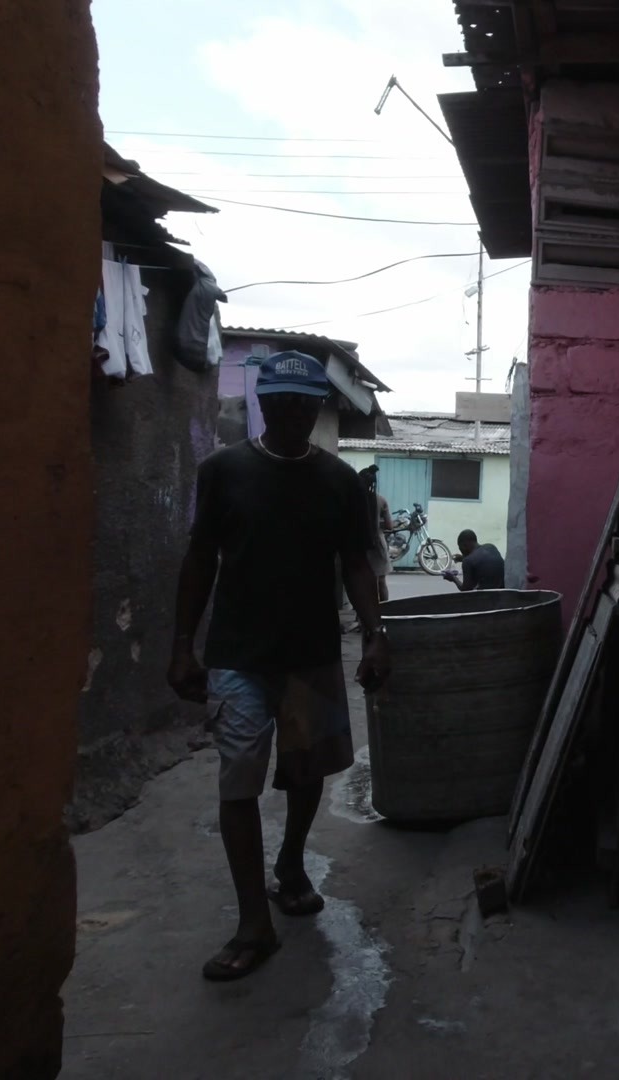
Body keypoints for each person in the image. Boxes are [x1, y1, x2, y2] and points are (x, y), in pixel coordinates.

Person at [167, 350, 391, 982]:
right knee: (237, 779)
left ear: (318, 408)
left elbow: (355, 563)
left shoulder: (340, 483)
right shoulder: (222, 471)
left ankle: (290, 861)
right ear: (262, 404)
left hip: (313, 654)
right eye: (282, 403)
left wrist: (376, 635)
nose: (294, 414)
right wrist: (183, 644)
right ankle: (252, 924)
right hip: (238, 657)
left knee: (306, 771)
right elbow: (199, 559)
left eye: (305, 404)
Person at [359, 464, 391, 602]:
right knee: (381, 582)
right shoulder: (381, 500)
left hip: (358, 545)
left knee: (361, 583)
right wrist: (378, 524)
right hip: (377, 544)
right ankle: (386, 613)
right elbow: (390, 525)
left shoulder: (354, 499)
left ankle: (362, 616)